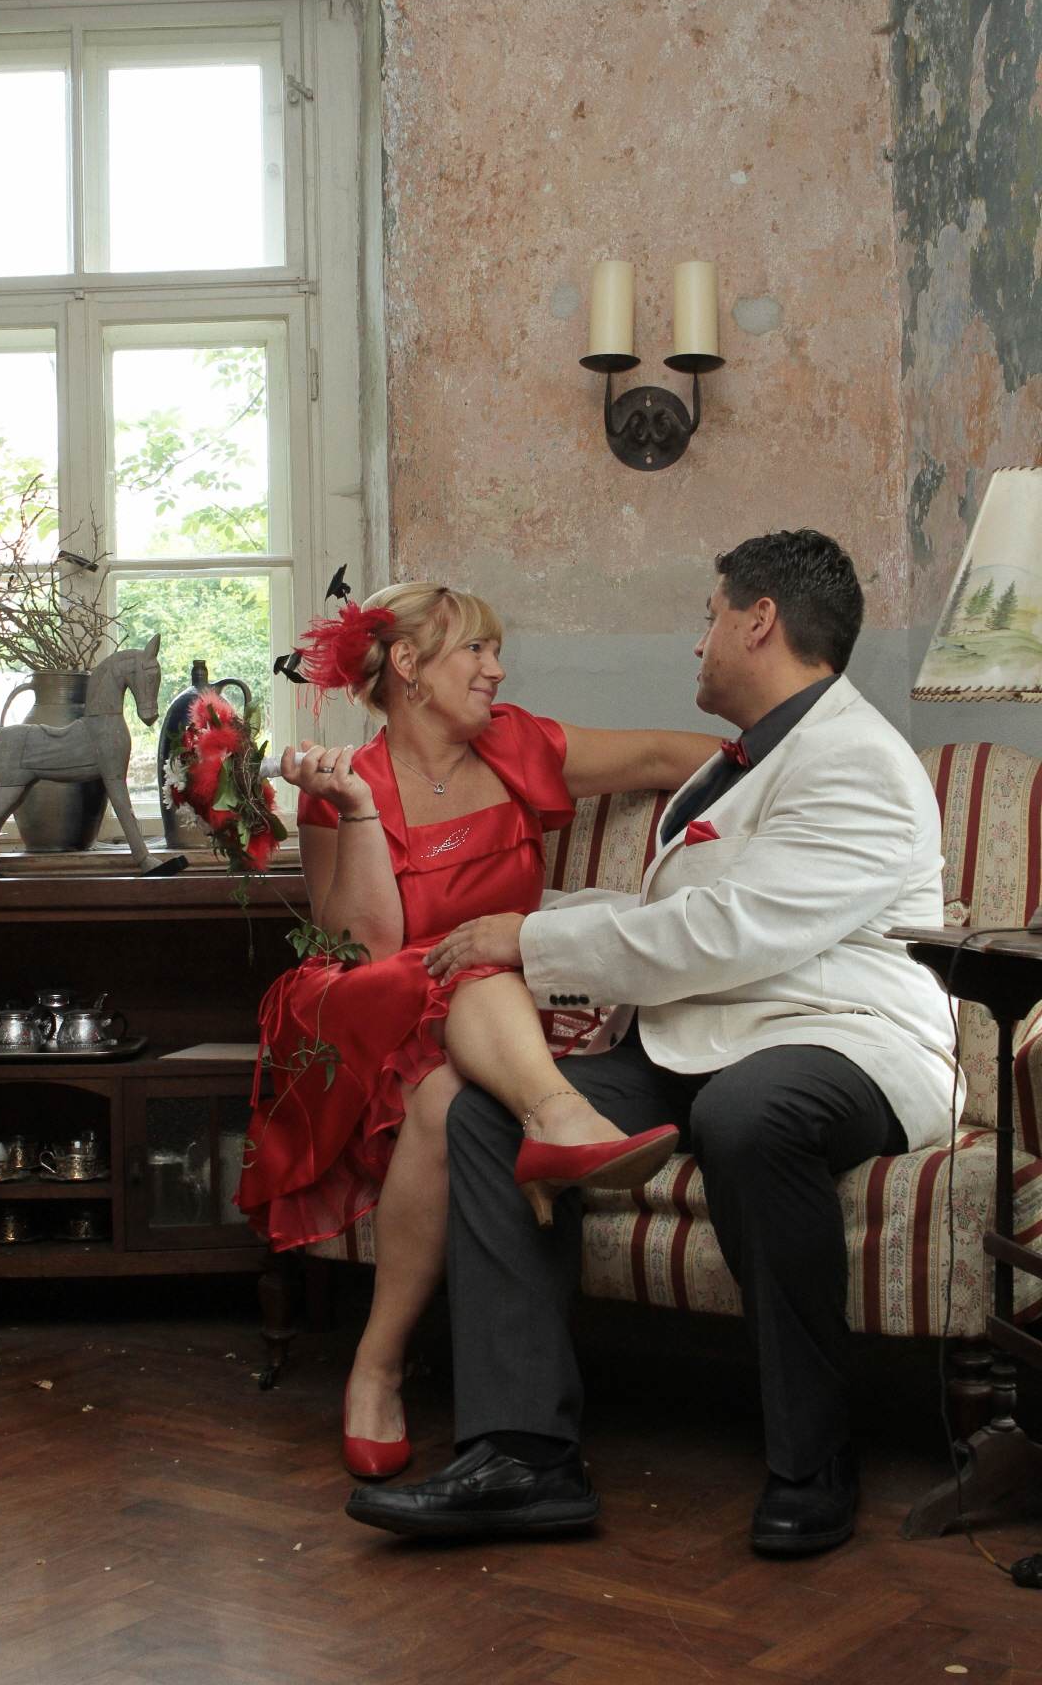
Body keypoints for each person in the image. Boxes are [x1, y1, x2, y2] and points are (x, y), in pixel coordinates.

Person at [346, 530, 960, 1555]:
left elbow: (730, 932)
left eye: (708, 617)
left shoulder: (856, 759)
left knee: (749, 1113)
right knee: (485, 1113)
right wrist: (559, 946)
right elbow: (690, 916)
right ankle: (523, 1456)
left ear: (758, 621)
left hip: (843, 1041)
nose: (697, 642)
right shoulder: (735, 764)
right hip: (706, 1036)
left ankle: (813, 1459)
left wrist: (529, 940)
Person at [236, 581, 719, 1479]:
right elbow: (366, 947)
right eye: (477, 651)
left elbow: (662, 753)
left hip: (494, 1016)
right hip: (375, 1014)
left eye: (497, 652)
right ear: (409, 666)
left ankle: (376, 1367)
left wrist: (778, 765)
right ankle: (557, 1118)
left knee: (450, 1095)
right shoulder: (344, 785)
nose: (497, 670)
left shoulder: (518, 743)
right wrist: (359, 811)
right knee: (464, 983)